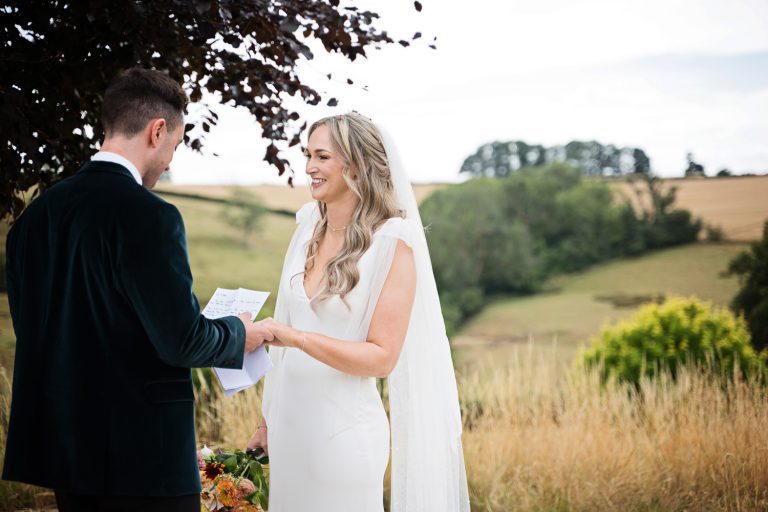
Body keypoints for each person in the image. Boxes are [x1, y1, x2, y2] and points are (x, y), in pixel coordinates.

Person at [3, 67, 273, 512]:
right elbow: (182, 340)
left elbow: (39, 332)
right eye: (175, 145)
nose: (170, 161)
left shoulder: (34, 220)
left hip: (64, 454)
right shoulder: (150, 217)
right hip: (143, 461)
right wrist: (241, 332)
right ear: (158, 130)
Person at [248, 112, 470, 511]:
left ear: (358, 164)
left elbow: (382, 357)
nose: (310, 167)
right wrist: (266, 422)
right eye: (308, 155)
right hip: (288, 431)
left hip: (342, 439)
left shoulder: (392, 243)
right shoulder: (305, 230)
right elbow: (280, 331)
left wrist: (299, 339)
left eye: (322, 157)